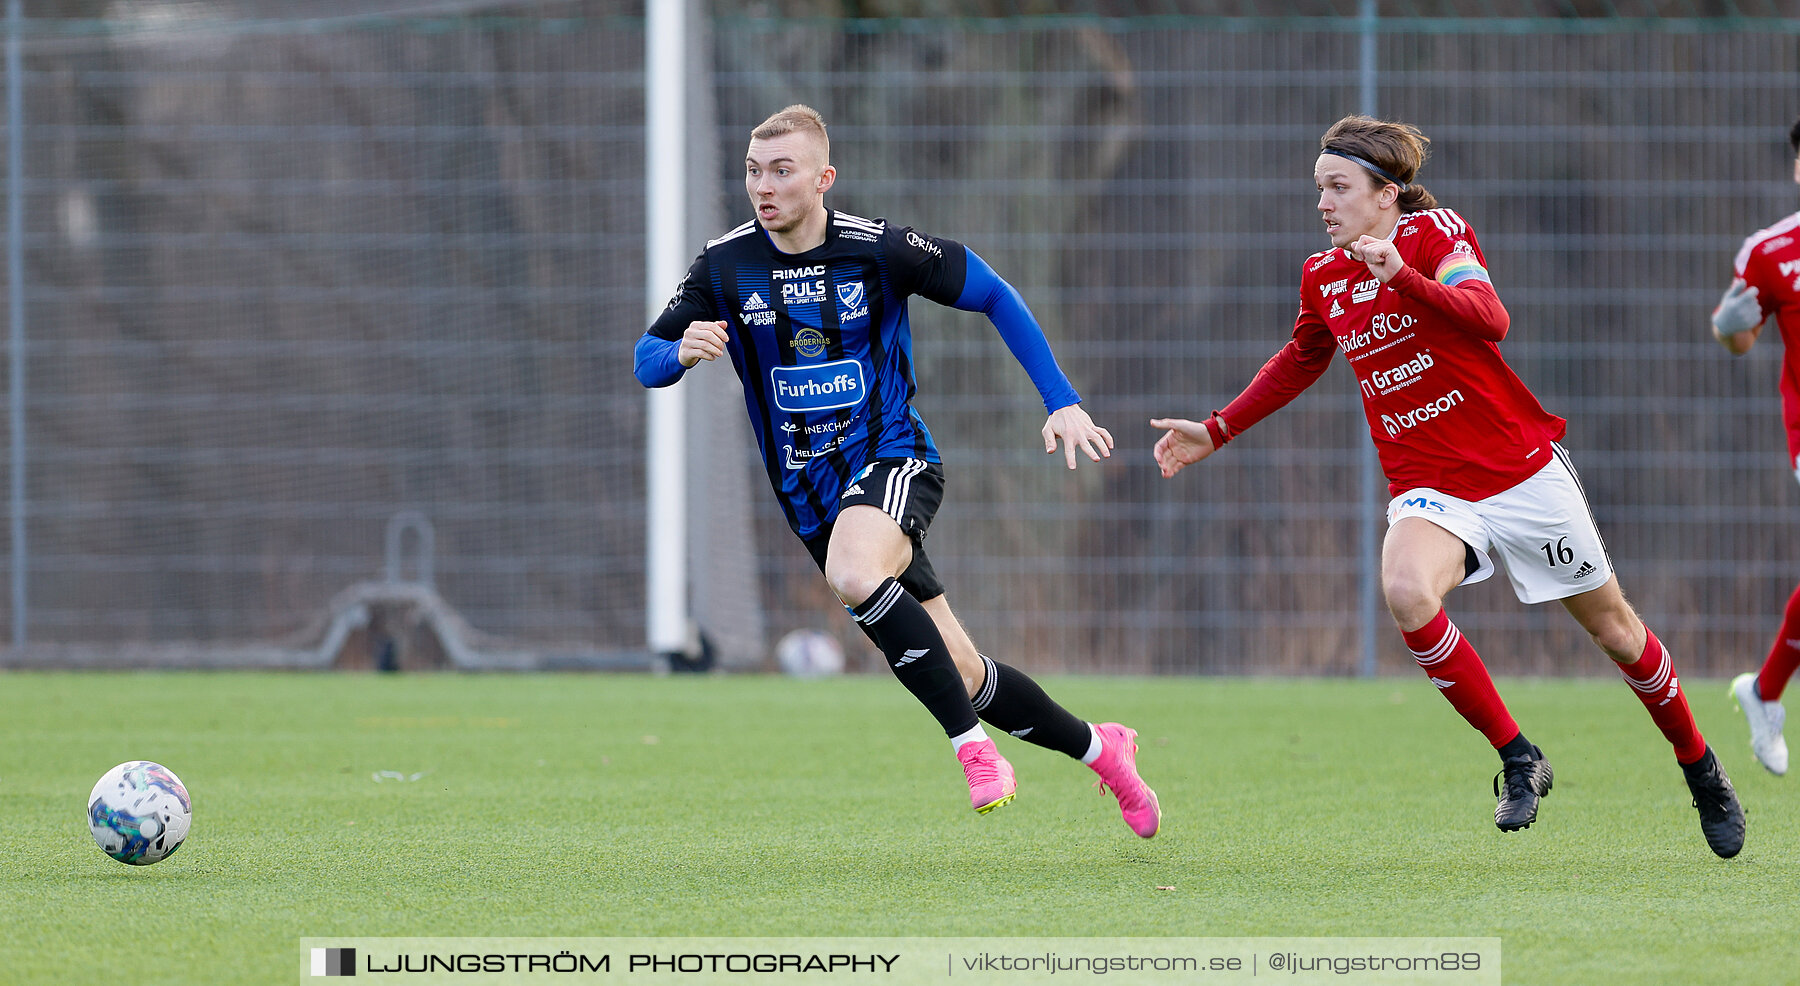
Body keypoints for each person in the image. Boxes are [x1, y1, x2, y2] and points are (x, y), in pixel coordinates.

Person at [1150, 114, 1744, 858]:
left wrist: (1402, 277)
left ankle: (1700, 767)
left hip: (1519, 471)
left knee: (1616, 633)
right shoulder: (1323, 276)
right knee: (1404, 590)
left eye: (1338, 188)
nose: (1324, 203)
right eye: (1319, 189)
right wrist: (1219, 428)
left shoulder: (1436, 237)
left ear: (1386, 195)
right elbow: (1301, 357)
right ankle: (1519, 756)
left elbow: (1490, 318)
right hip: (1431, 485)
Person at [634, 105, 1159, 836]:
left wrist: (1061, 400)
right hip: (810, 497)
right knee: (964, 674)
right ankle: (1106, 751)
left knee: (853, 571)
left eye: (782, 170)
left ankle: (974, 753)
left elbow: (994, 294)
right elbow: (645, 360)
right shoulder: (723, 265)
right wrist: (679, 352)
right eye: (754, 170)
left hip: (894, 459)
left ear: (824, 178)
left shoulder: (879, 249)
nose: (764, 185)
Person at [1711, 116, 1800, 778]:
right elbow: (1740, 335)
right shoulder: (1770, 251)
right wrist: (1730, 328)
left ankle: (1765, 691)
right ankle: (1765, 692)